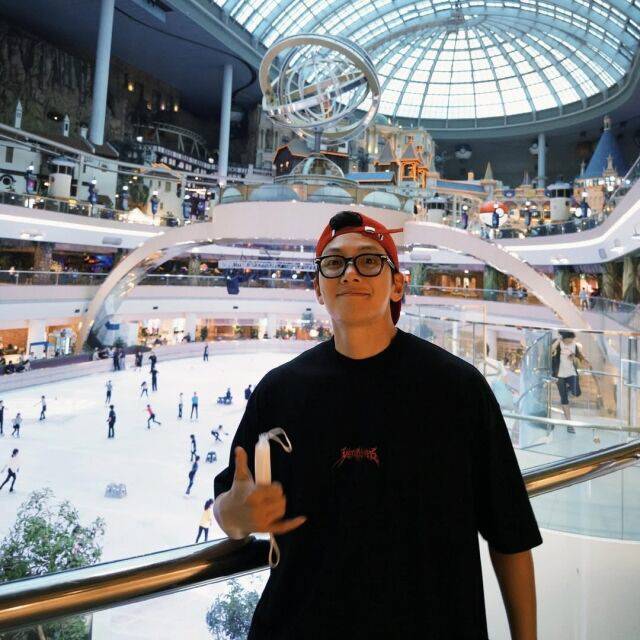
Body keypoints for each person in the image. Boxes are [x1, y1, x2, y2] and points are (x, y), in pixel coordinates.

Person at [213, 210, 542, 639]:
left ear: (398, 285)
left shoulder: (459, 389)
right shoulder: (279, 392)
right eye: (334, 263)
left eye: (369, 261)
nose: (349, 273)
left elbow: (510, 535)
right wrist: (235, 515)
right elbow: (229, 509)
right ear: (318, 288)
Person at [551, 330, 591, 430]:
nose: (570, 342)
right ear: (563, 338)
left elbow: (579, 355)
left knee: (576, 392)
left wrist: (583, 360)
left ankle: (568, 389)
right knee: (564, 399)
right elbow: (550, 351)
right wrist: (559, 340)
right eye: (569, 340)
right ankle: (569, 423)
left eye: (572, 340)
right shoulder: (557, 343)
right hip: (559, 375)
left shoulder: (574, 345)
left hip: (571, 373)